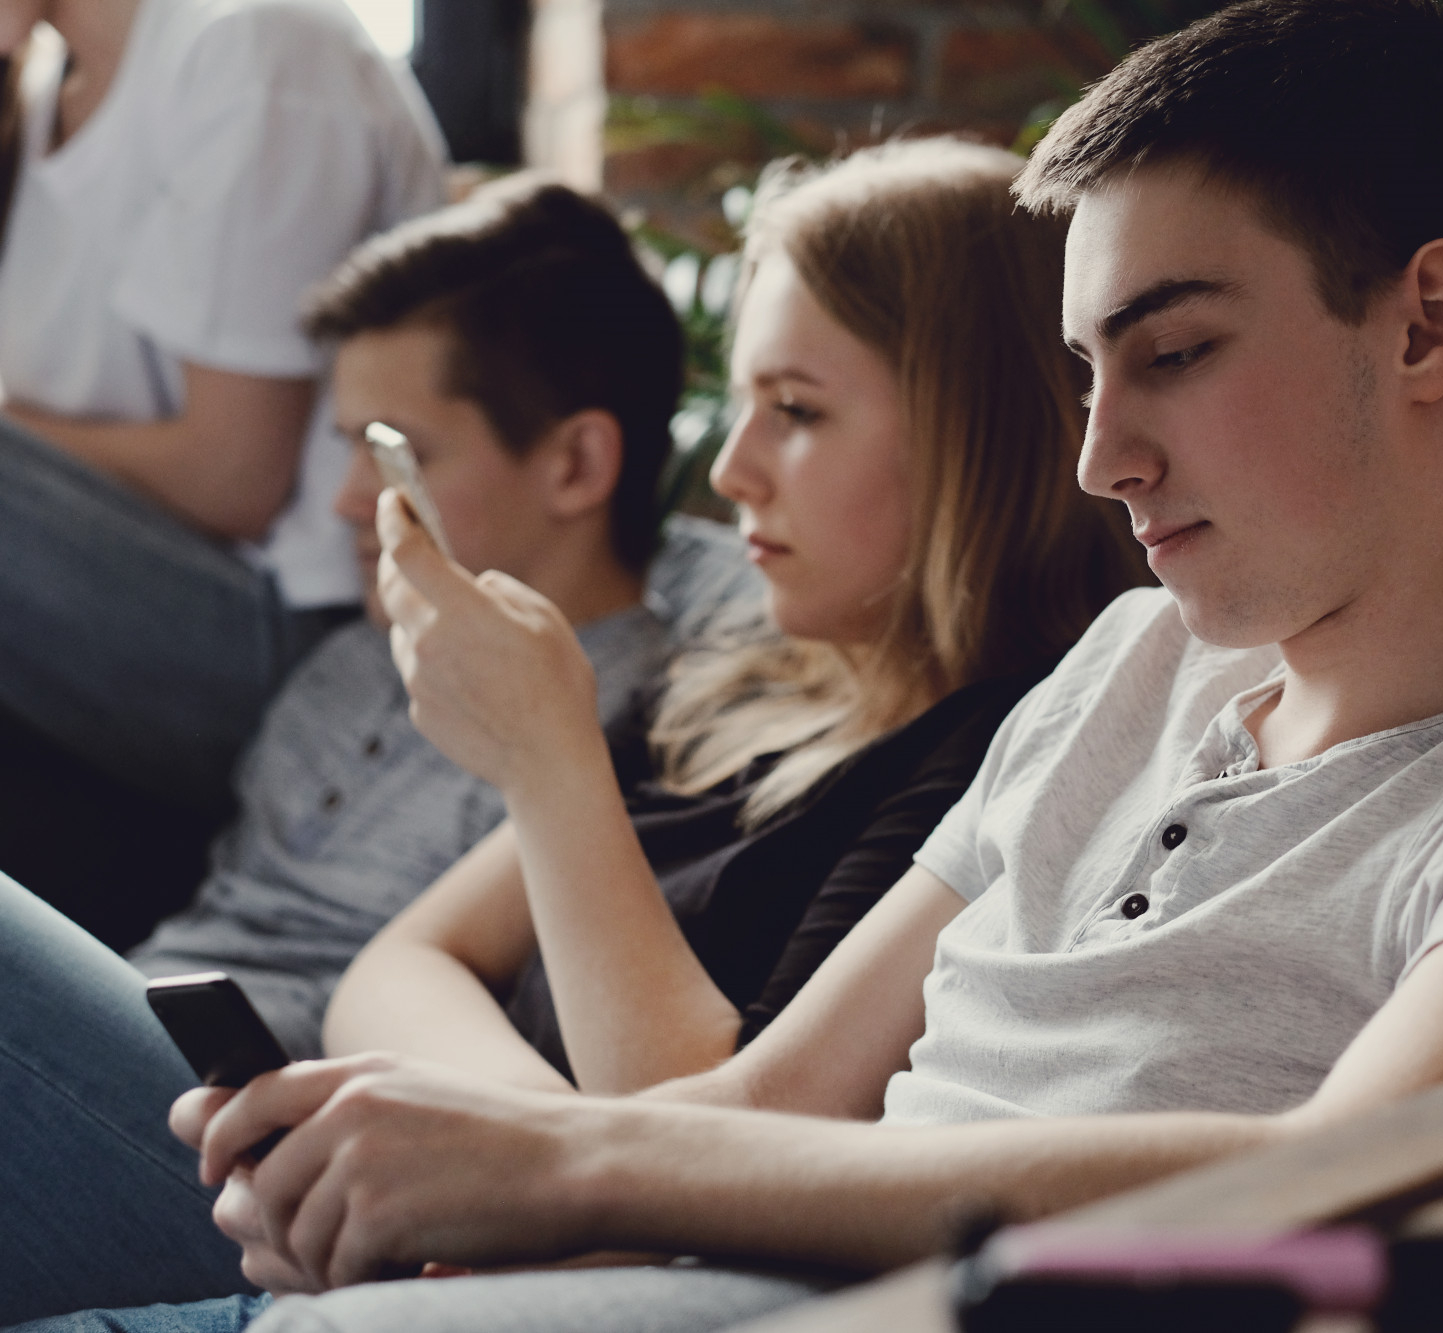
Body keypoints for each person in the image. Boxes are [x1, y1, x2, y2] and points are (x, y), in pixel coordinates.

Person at [19, 3, 1443, 1330]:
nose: (1104, 458)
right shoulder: (1132, 662)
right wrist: (456, 1171)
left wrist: (564, 1162)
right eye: (1091, 376)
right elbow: (759, 1106)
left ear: (1433, 322)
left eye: (1174, 352)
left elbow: (1392, 1173)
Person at [0, 136, 1146, 1326]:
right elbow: (399, 963)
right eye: (740, 406)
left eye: (796, 411)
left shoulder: (997, 752)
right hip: (439, 1209)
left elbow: (725, 1149)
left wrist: (551, 768)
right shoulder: (737, 678)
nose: (734, 472)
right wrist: (510, 1165)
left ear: (982, 431)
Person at [126, 177, 762, 1061]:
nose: (349, 501)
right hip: (113, 1017)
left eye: (396, 451)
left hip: (249, 1114)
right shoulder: (352, 660)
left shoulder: (627, 729)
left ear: (576, 463)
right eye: (346, 443)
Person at [0, 0, 447, 827]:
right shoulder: (36, 100)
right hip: (144, 606)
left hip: (294, 633)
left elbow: (233, 477)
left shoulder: (260, 48)